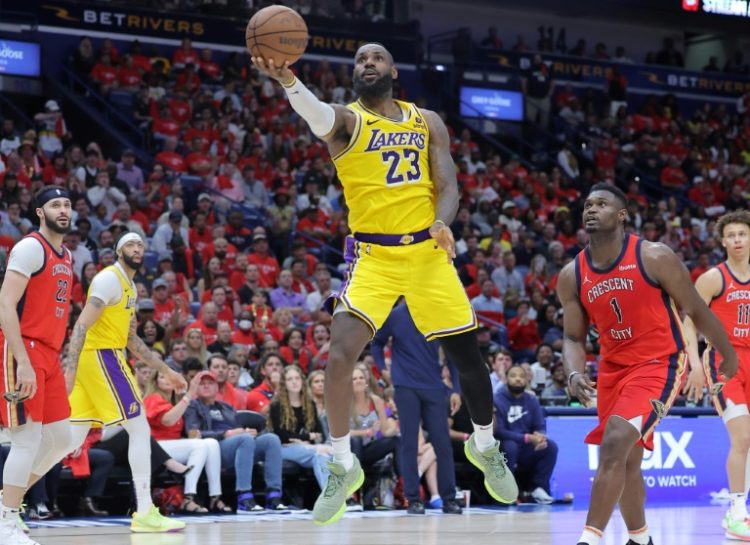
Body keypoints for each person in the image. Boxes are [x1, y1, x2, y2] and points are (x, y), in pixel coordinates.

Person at [252, 42, 517, 526]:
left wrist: (443, 222)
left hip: (427, 251)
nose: (367, 64)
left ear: (393, 70)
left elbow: (449, 184)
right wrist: (289, 81)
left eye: (375, 58)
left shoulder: (427, 120)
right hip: (372, 255)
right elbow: (316, 117)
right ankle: (341, 464)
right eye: (359, 60)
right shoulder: (348, 122)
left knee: (469, 362)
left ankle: (484, 445)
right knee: (337, 355)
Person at [557, 183, 737, 545]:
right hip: (612, 369)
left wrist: (727, 354)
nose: (591, 209)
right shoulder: (571, 274)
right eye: (588, 204)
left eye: (602, 204)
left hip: (661, 363)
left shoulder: (654, 256)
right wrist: (575, 371)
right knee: (626, 462)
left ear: (622, 214)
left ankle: (587, 540)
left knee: (614, 443)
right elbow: (574, 338)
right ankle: (641, 540)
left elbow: (697, 310)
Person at [63, 232, 188, 533]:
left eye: (140, 245)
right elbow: (80, 325)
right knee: (139, 427)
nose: (136, 249)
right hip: (101, 357)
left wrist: (165, 369)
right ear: (119, 252)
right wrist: (69, 370)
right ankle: (144, 511)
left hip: (102, 358)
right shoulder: (109, 280)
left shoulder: (130, 287)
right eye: (130, 244)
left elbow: (131, 339)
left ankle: (8, 504)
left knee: (65, 441)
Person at [0, 187, 75, 545]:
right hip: (23, 350)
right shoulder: (31, 247)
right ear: (40, 212)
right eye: (55, 205)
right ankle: (6, 521)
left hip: (50, 353)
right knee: (26, 440)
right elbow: (5, 303)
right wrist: (23, 363)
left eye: (67, 205)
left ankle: (4, 501)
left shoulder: (68, 255)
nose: (63, 210)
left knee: (63, 439)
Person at [682, 211, 750, 540]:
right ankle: (737, 512)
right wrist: (694, 364)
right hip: (725, 361)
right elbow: (689, 320)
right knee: (742, 437)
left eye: (743, 234)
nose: (737, 239)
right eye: (732, 235)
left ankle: (739, 511)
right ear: (723, 241)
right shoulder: (713, 278)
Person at [371, 300, 462, 514]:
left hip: (434, 386)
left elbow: (453, 355)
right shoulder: (395, 315)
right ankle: (413, 499)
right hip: (405, 386)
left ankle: (449, 498)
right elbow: (376, 343)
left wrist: (456, 389)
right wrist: (383, 369)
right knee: (409, 442)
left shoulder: (440, 312)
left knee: (442, 443)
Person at [183, 372, 286, 512]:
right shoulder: (192, 406)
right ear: (195, 388)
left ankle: (274, 495)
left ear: (217, 388)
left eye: (210, 383)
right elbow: (193, 434)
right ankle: (244, 496)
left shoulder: (227, 407)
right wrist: (227, 434)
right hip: (213, 448)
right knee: (244, 439)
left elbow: (238, 430)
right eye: (202, 383)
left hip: (239, 445)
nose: (206, 386)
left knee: (271, 439)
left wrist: (248, 432)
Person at [144, 369, 232, 514]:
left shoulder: (175, 400)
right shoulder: (153, 398)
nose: (166, 379)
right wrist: (189, 395)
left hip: (174, 445)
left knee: (211, 443)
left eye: (169, 376)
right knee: (200, 446)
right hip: (156, 447)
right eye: (162, 376)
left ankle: (215, 497)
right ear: (156, 382)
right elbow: (167, 420)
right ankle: (188, 498)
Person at [493, 365, 557, 504]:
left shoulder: (532, 400)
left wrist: (540, 438)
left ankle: (537, 488)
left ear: (527, 380)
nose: (518, 379)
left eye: (522, 376)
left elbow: (539, 426)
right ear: (506, 379)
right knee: (510, 447)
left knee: (550, 447)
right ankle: (507, 492)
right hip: (504, 446)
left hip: (526, 447)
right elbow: (499, 431)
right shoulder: (497, 399)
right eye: (513, 376)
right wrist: (527, 438)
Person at [267, 365, 330, 490]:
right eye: (290, 379)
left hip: (309, 448)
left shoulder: (309, 403)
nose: (294, 382)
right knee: (322, 451)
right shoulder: (276, 405)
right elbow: (283, 436)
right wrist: (308, 437)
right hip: (284, 449)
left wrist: (305, 441)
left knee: (323, 455)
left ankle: (340, 498)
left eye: (297, 378)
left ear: (302, 381)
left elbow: (320, 434)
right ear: (284, 384)